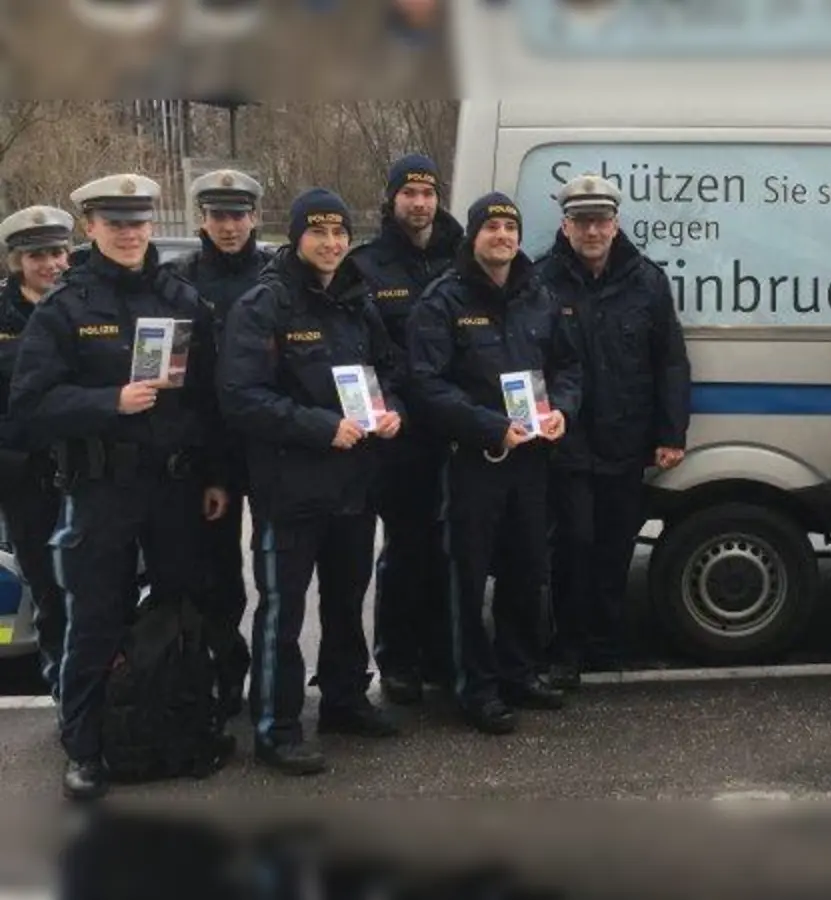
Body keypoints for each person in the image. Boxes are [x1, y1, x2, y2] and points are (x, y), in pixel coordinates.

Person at [9, 174, 229, 800]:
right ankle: (83, 747)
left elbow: (210, 400)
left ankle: (177, 724)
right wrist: (108, 401)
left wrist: (216, 474)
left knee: (179, 611)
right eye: (115, 222)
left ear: (152, 225)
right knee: (95, 621)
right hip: (102, 490)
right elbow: (29, 409)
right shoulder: (66, 307)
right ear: (91, 228)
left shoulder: (181, 298)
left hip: (176, 490)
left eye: (138, 221)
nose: (129, 233)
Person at [220, 189, 406, 776]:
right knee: (283, 612)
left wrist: (392, 410)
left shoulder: (356, 301)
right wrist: (320, 427)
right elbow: (241, 397)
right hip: (290, 489)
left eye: (339, 234)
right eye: (319, 233)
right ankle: (276, 727)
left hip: (354, 485)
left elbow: (386, 372)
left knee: (348, 603)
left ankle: (345, 700)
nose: (331, 244)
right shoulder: (265, 304)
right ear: (298, 237)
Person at [408, 193, 583, 734]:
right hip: (473, 461)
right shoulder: (442, 301)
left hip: (530, 460)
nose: (503, 236)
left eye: (511, 227)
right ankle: (474, 688)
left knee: (526, 570)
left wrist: (563, 413)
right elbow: (424, 385)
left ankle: (519, 671)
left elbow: (569, 366)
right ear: (473, 236)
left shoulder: (539, 295)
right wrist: (488, 425)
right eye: (492, 228)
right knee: (466, 577)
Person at [532, 173, 691, 687]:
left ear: (616, 223)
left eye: (600, 220)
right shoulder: (539, 281)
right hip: (567, 444)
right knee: (572, 545)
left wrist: (671, 434)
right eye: (582, 221)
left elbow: (670, 362)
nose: (592, 231)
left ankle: (606, 641)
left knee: (615, 545)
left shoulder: (647, 280)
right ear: (566, 225)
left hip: (626, 439)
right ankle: (567, 648)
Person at [348, 153, 464, 706]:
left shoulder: (459, 256)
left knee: (452, 549)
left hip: (459, 427)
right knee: (404, 549)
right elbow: (362, 350)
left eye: (427, 194)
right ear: (392, 200)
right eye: (408, 194)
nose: (419, 204)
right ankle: (397, 660)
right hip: (401, 434)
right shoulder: (367, 266)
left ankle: (444, 656)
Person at [163, 168, 274, 719]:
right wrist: (206, 466)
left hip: (272, 444)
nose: (229, 226)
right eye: (217, 215)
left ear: (254, 216)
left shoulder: (280, 275)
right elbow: (176, 381)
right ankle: (227, 674)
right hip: (213, 450)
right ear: (201, 219)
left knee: (279, 572)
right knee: (217, 576)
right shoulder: (179, 283)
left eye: (238, 215)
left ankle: (275, 683)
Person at [0, 206, 73, 702]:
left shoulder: (83, 309)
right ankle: (61, 692)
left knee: (97, 592)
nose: (50, 263)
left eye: (57, 252)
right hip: (25, 479)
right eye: (37, 255)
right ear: (16, 261)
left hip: (84, 472)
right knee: (47, 595)